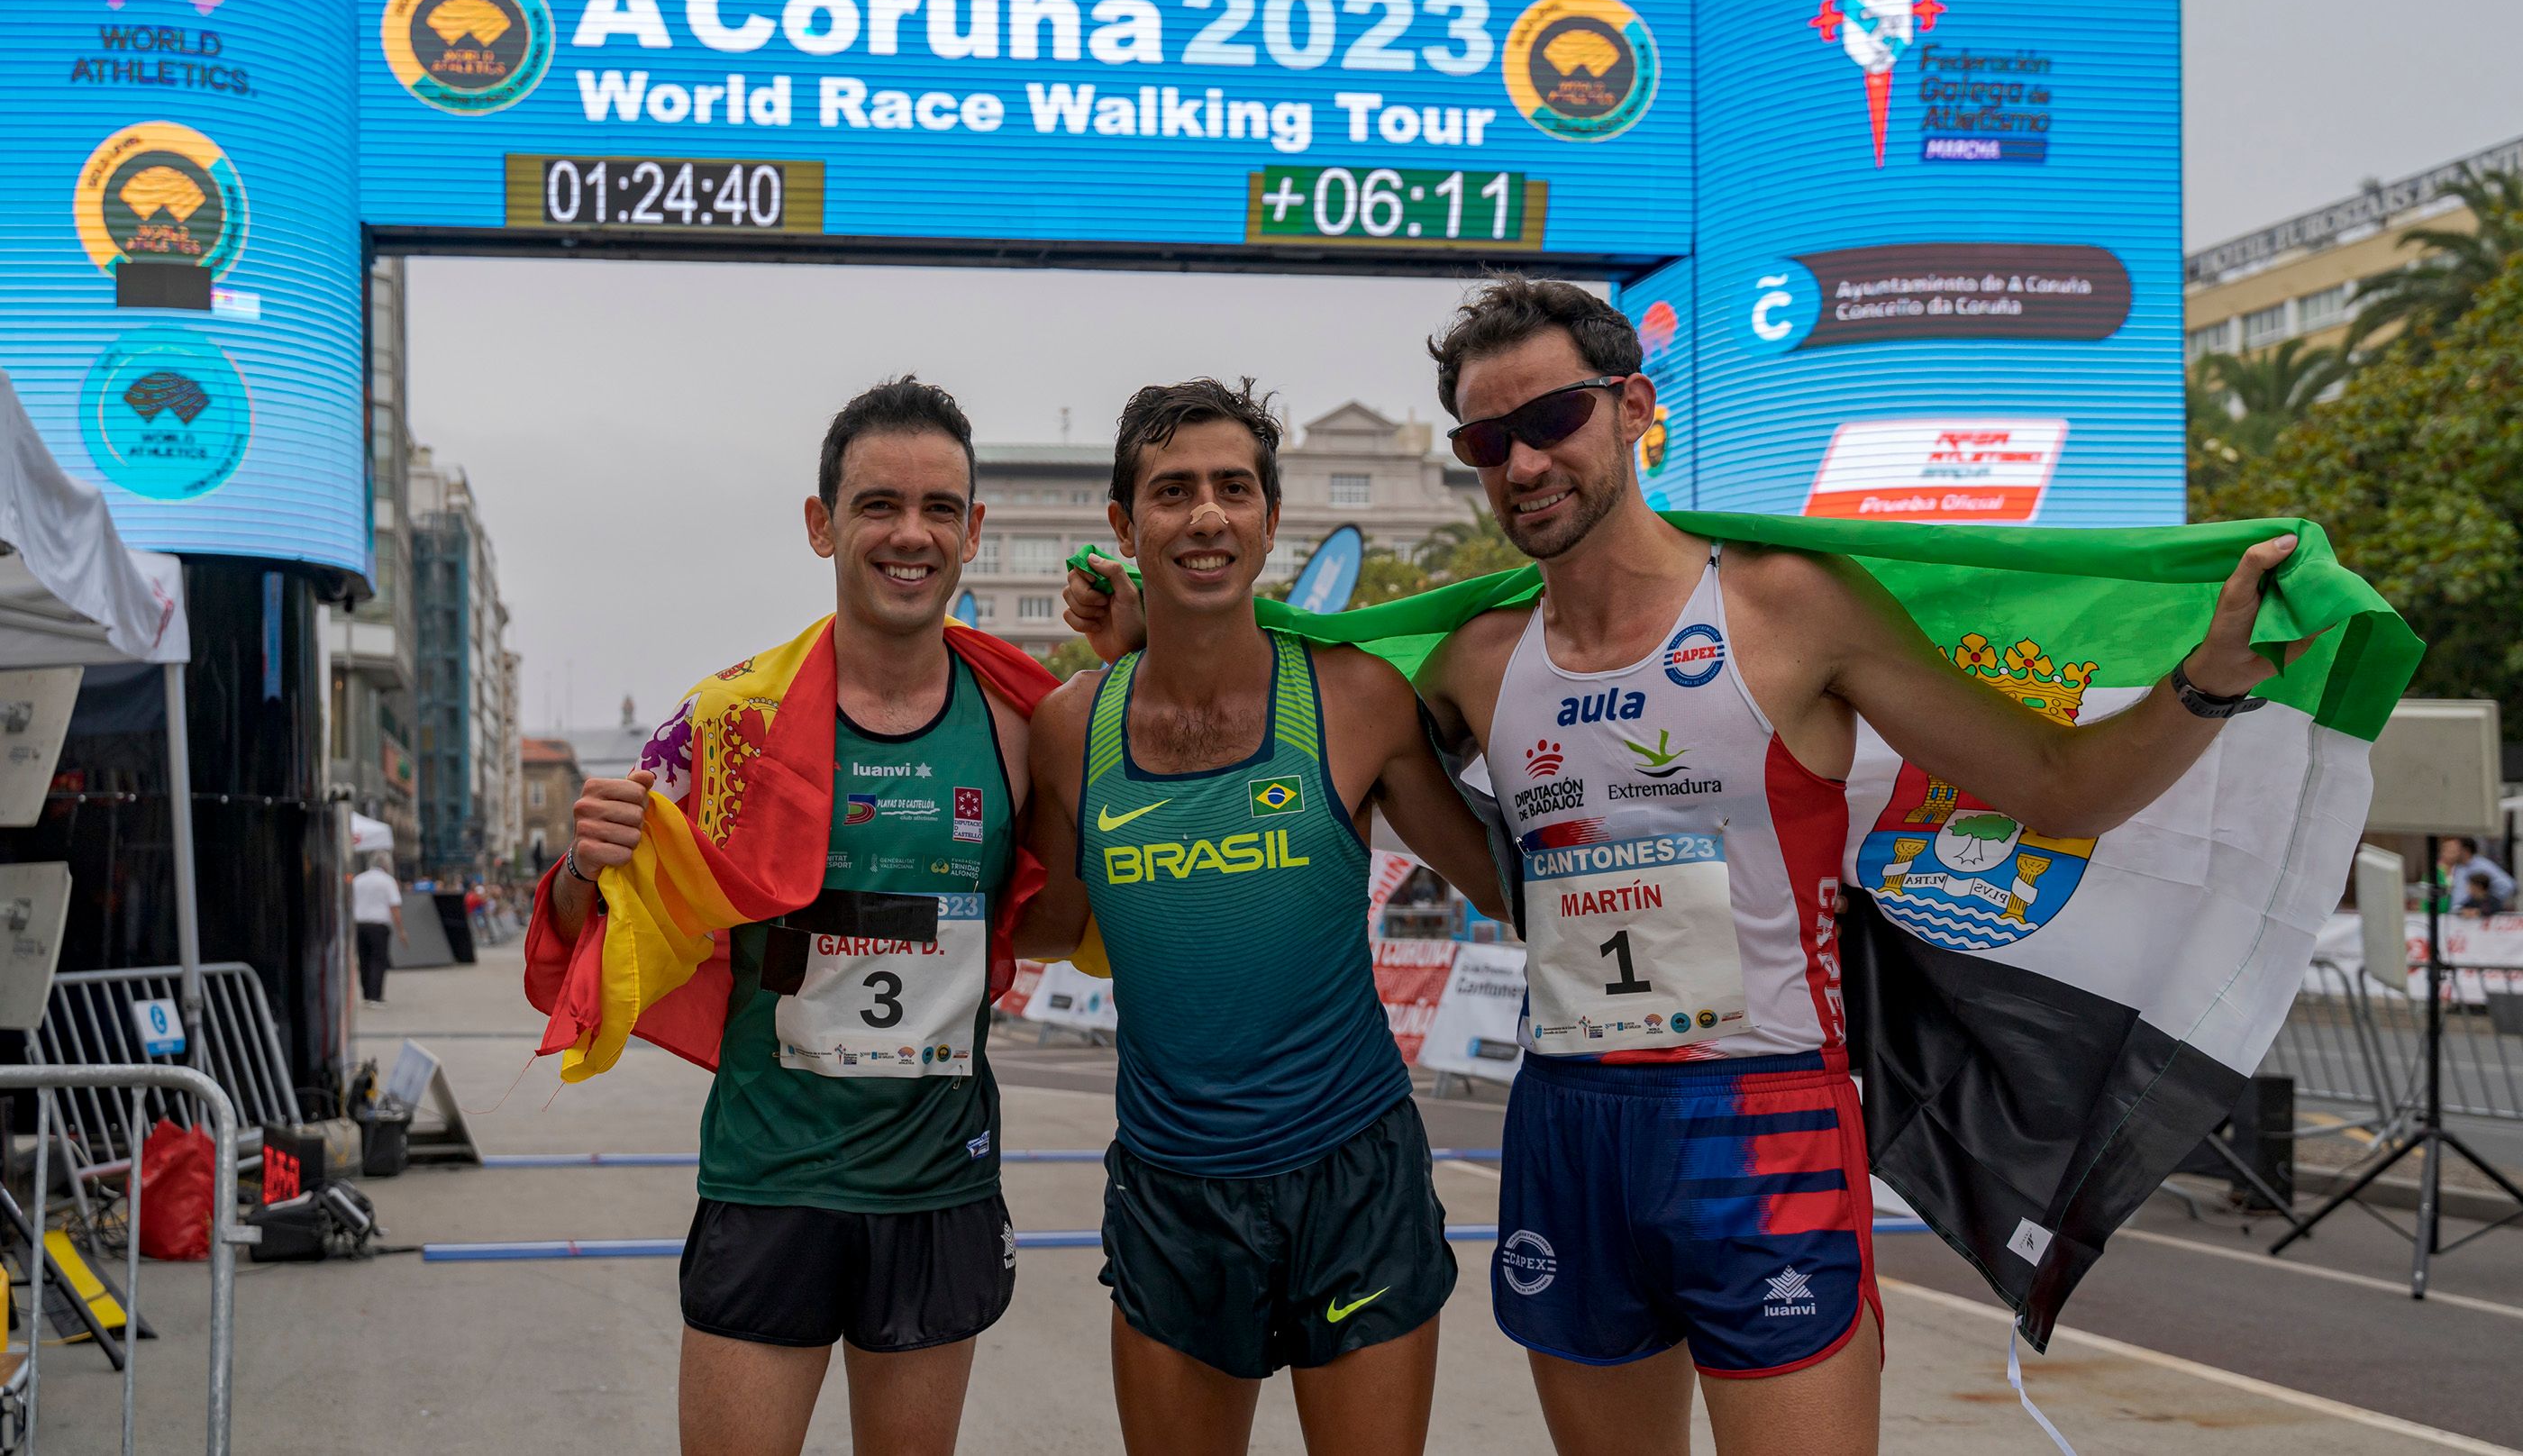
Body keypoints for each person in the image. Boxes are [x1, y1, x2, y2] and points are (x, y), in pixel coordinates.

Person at [1064, 278, 2313, 1456]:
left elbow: (2057, 786)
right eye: (1487, 442)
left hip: (1763, 1124)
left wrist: (2202, 683)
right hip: (1568, 1126)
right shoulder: (1476, 660)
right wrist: (1156, 641)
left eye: (1551, 419)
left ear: (1635, 406)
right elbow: (1292, 697)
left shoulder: (1788, 605)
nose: (1526, 461)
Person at [538, 378, 1050, 1456]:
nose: (910, 534)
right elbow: (601, 921)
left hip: (936, 1182)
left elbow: (1075, 899)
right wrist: (582, 869)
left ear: (972, 532)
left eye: (939, 508)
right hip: (770, 1181)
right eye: (877, 504)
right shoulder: (728, 721)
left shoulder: (1022, 723)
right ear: (821, 523)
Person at [1020, 378, 1506, 1456]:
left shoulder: (1354, 697)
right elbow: (1045, 926)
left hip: (1354, 1174)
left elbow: (1502, 880)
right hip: (1172, 1189)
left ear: (1270, 521)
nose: (1206, 515)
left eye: (1234, 488)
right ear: (1122, 525)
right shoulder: (1067, 730)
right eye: (1173, 491)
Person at [351, 853, 407, 1006]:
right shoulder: (388, 881)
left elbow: (349, 903)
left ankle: (367, 994)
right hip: (379, 925)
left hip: (360, 924)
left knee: (364, 959)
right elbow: (394, 906)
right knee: (378, 960)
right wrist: (401, 930)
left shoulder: (358, 879)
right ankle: (375, 996)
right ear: (386, 866)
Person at [2437, 836, 2514, 912]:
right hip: (2456, 915)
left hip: (2475, 916)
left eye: (2455, 849)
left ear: (2465, 851)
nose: (2452, 852)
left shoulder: (2482, 866)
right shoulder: (2458, 867)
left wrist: (2486, 901)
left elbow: (2507, 885)